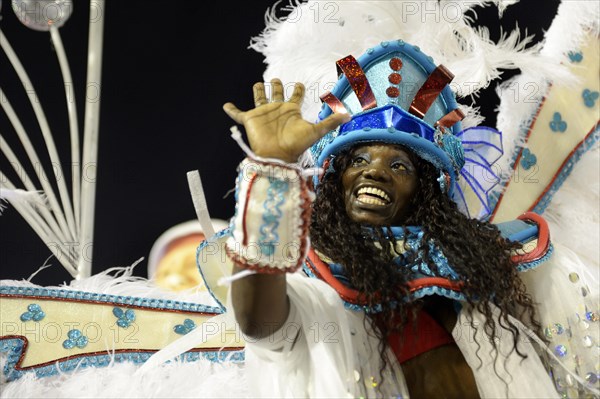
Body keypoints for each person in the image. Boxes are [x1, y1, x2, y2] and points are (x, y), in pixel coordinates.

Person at [219, 41, 559, 398]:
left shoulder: (478, 278)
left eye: (399, 166)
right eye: (359, 161)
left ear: (424, 193)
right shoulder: (312, 283)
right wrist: (274, 165)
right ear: (336, 181)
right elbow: (259, 322)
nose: (375, 173)